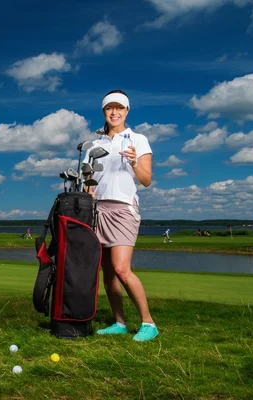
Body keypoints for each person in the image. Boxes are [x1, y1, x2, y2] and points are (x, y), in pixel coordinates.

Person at [83, 89, 158, 342]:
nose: (114, 112)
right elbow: (87, 181)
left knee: (121, 268)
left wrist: (135, 162)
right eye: (109, 108)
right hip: (98, 210)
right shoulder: (94, 144)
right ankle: (119, 322)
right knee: (107, 271)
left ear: (127, 111)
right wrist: (88, 192)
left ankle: (148, 323)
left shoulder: (138, 139)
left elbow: (146, 180)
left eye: (120, 108)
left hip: (124, 208)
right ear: (104, 111)